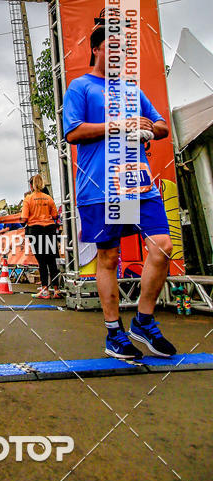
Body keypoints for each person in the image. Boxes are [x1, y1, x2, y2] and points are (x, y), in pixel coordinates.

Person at [63, 24, 176, 360]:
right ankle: (114, 333)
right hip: (99, 186)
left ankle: (143, 320)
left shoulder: (131, 89)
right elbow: (74, 132)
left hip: (138, 183)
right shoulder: (80, 86)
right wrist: (121, 125)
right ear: (96, 50)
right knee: (109, 257)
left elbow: (161, 126)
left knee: (163, 247)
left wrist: (148, 129)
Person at [22, 175, 60, 299]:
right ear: (43, 184)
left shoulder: (28, 199)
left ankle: (45, 290)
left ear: (32, 185)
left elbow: (24, 218)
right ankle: (57, 290)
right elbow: (55, 215)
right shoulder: (48, 198)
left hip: (35, 229)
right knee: (52, 260)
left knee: (42, 261)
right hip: (49, 228)